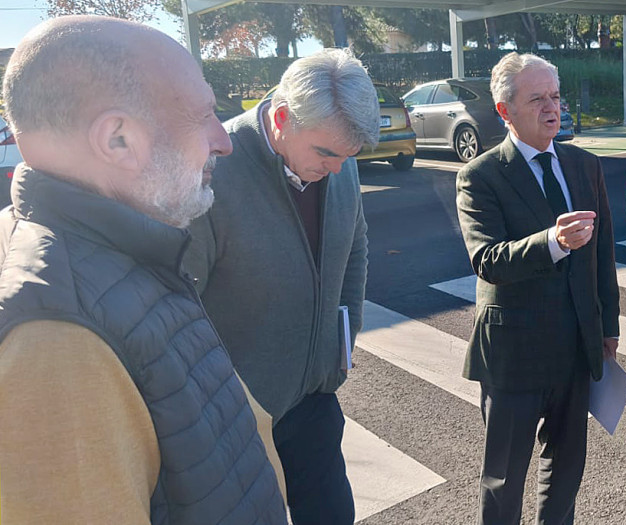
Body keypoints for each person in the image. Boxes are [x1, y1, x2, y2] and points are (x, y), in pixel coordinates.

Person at [0, 15, 286, 524]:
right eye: (203, 115)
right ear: (117, 140)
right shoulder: (56, 338)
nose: (224, 140)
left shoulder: (118, 247)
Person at [183, 49, 375, 524]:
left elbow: (355, 248)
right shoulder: (212, 167)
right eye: (327, 154)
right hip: (237, 417)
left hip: (314, 397)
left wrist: (341, 342)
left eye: (348, 157)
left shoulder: (337, 157)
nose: (337, 169)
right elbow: (182, 302)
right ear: (283, 118)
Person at [455, 52, 619, 525]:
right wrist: (552, 241)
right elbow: (486, 260)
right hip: (513, 353)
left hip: (575, 349)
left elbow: (602, 255)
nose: (553, 108)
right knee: (505, 477)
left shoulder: (583, 165)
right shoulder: (480, 175)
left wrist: (608, 326)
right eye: (537, 100)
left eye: (556, 96)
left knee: (566, 470)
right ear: (505, 110)